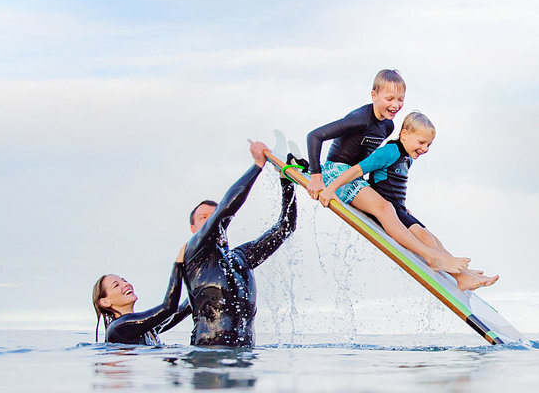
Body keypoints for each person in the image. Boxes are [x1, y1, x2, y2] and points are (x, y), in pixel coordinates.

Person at [304, 69, 468, 274]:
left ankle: (451, 267)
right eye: (389, 98)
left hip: (356, 177)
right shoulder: (359, 119)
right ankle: (430, 256)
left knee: (393, 210)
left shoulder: (387, 126)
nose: (395, 105)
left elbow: (371, 162)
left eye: (400, 99)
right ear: (374, 96)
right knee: (385, 209)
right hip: (335, 173)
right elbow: (314, 136)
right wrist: (316, 177)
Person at [319, 111, 497, 292]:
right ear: (404, 135)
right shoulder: (389, 152)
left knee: (429, 236)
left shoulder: (407, 158)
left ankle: (463, 275)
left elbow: (396, 188)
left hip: (399, 208)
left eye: (429, 144)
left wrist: (405, 209)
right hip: (386, 208)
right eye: (421, 142)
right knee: (425, 239)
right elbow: (358, 170)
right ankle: (445, 266)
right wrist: (331, 188)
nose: (425, 148)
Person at [182, 139, 297, 347]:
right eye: (203, 218)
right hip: (209, 360)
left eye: (213, 215)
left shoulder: (241, 258)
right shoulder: (194, 256)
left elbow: (285, 228)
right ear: (193, 230)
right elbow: (225, 209)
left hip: (245, 362)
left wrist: (286, 182)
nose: (210, 220)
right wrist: (257, 165)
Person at [92, 245, 190, 345]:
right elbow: (168, 308)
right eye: (116, 285)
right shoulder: (119, 327)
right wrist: (178, 265)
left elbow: (179, 312)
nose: (126, 284)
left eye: (124, 280)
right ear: (105, 302)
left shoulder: (143, 329)